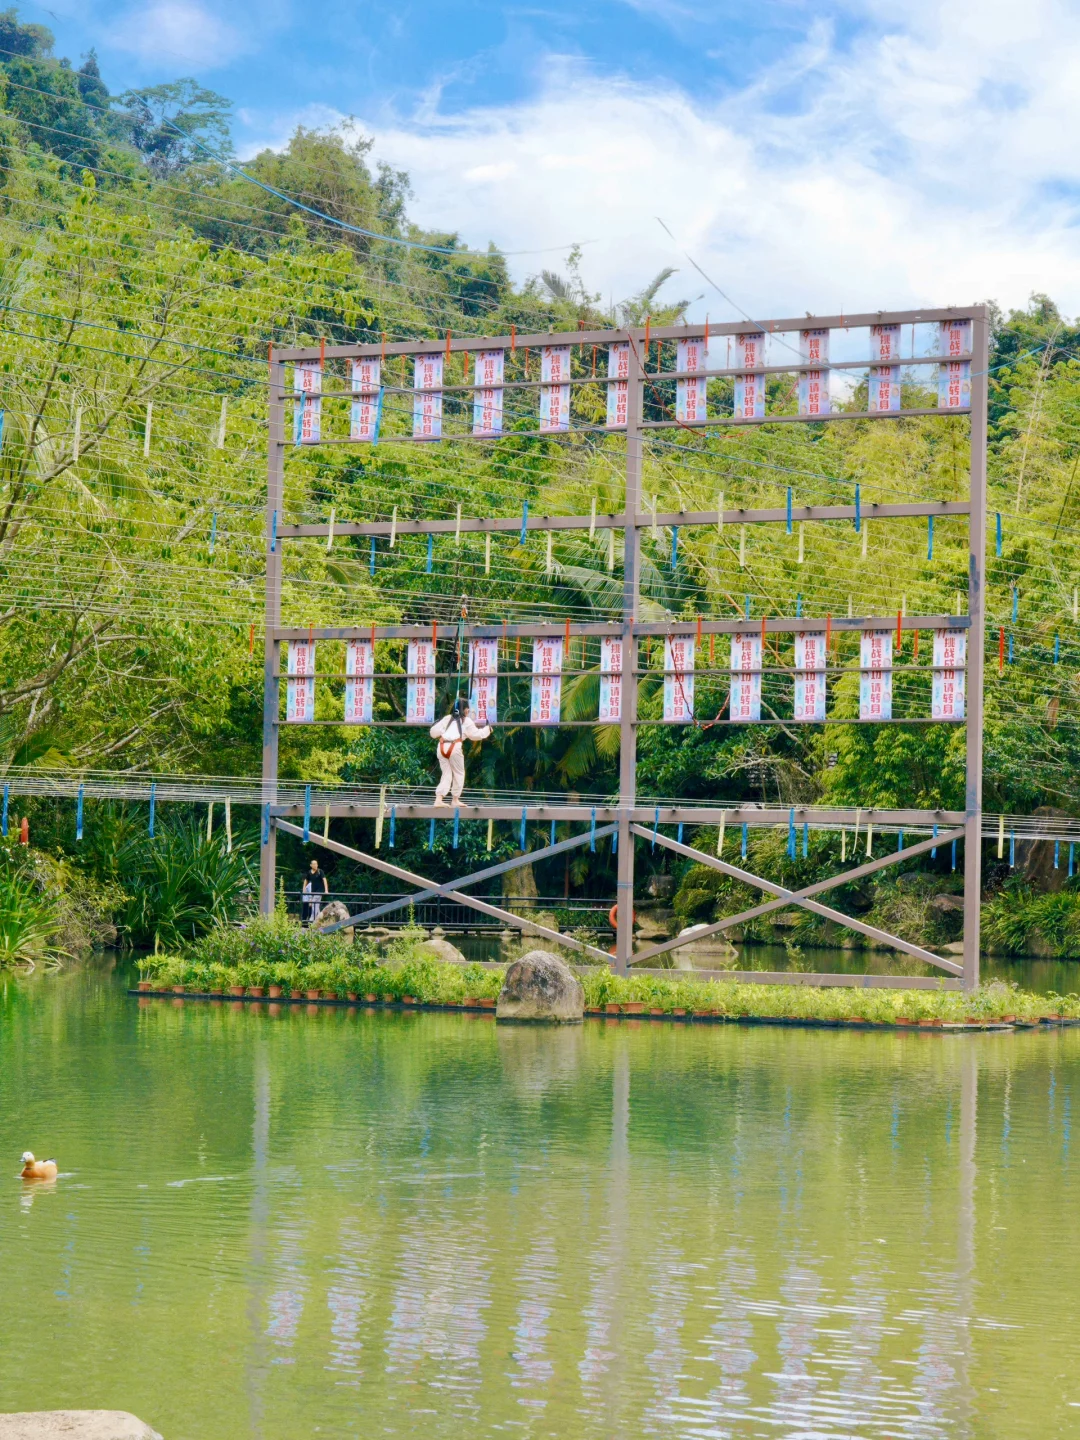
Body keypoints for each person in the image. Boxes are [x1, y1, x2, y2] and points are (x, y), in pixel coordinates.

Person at [430, 697, 491, 805]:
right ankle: (455, 799)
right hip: (454, 747)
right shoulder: (466, 721)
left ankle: (438, 799)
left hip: (442, 746)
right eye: (468, 709)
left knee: (446, 774)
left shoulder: (447, 718)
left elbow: (433, 733)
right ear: (465, 709)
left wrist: (438, 724)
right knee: (459, 773)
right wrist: (488, 729)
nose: (468, 711)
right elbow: (476, 735)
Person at [301, 859, 329, 924]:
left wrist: (326, 890)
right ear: (311, 865)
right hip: (313, 891)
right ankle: (321, 919)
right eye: (313, 864)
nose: (315, 865)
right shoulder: (309, 872)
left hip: (320, 890)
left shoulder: (320, 871)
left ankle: (312, 918)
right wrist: (304, 888)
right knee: (316, 905)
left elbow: (324, 880)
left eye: (316, 864)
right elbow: (306, 880)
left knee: (313, 904)